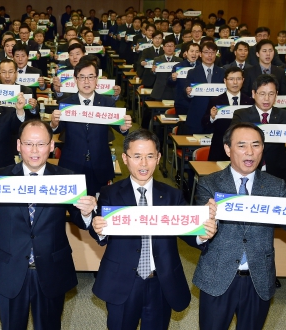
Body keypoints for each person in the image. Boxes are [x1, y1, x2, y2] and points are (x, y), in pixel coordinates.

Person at [193, 121, 286, 329]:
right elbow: (201, 226)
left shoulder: (275, 185)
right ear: (228, 149)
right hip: (217, 277)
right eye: (242, 145)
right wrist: (205, 223)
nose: (250, 152)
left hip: (259, 278)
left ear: (263, 149)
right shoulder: (209, 184)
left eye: (256, 145)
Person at [0, 119, 97, 330]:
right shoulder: (0, 178)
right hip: (9, 268)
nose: (34, 150)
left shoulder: (67, 179)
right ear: (18, 145)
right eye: (28, 143)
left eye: (41, 144)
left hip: (51, 268)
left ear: (52, 146)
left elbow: (80, 221)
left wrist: (86, 212)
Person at [90, 129, 217, 329]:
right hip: (122, 281)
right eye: (137, 156)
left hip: (161, 282)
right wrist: (98, 228)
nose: (143, 163)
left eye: (150, 156)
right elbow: (99, 233)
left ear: (158, 158)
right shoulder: (110, 193)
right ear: (125, 158)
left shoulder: (172, 195)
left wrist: (202, 235)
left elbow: (189, 231)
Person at [50, 59, 132, 196]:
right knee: (72, 207)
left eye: (90, 77)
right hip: (72, 163)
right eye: (82, 77)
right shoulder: (66, 103)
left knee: (98, 207)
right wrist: (53, 124)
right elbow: (57, 129)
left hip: (100, 164)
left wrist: (123, 127)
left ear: (96, 80)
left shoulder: (107, 103)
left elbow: (121, 129)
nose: (86, 82)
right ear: (75, 79)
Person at [231, 74, 286, 191]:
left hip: (277, 173)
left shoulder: (284, 115)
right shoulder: (241, 114)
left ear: (276, 95)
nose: (267, 99)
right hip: (247, 171)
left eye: (271, 94)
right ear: (254, 94)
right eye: (262, 94)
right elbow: (232, 138)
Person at [202, 67, 254, 161]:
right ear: (225, 81)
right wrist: (211, 117)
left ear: (243, 80)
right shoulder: (216, 101)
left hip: (244, 149)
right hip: (220, 147)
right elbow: (205, 124)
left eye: (238, 79)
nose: (235, 82)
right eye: (231, 79)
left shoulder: (249, 102)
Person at [185, 41, 225, 134]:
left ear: (216, 54)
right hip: (197, 116)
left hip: (216, 116)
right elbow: (186, 91)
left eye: (212, 52)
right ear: (200, 54)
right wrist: (189, 92)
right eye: (206, 52)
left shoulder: (222, 72)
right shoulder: (192, 72)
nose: (209, 55)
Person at [168, 42, 200, 116]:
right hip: (182, 103)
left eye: (197, 51)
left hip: (198, 103)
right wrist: (173, 78)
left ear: (200, 54)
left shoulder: (202, 66)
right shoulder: (178, 66)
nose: (194, 54)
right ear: (186, 53)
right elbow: (170, 83)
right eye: (192, 51)